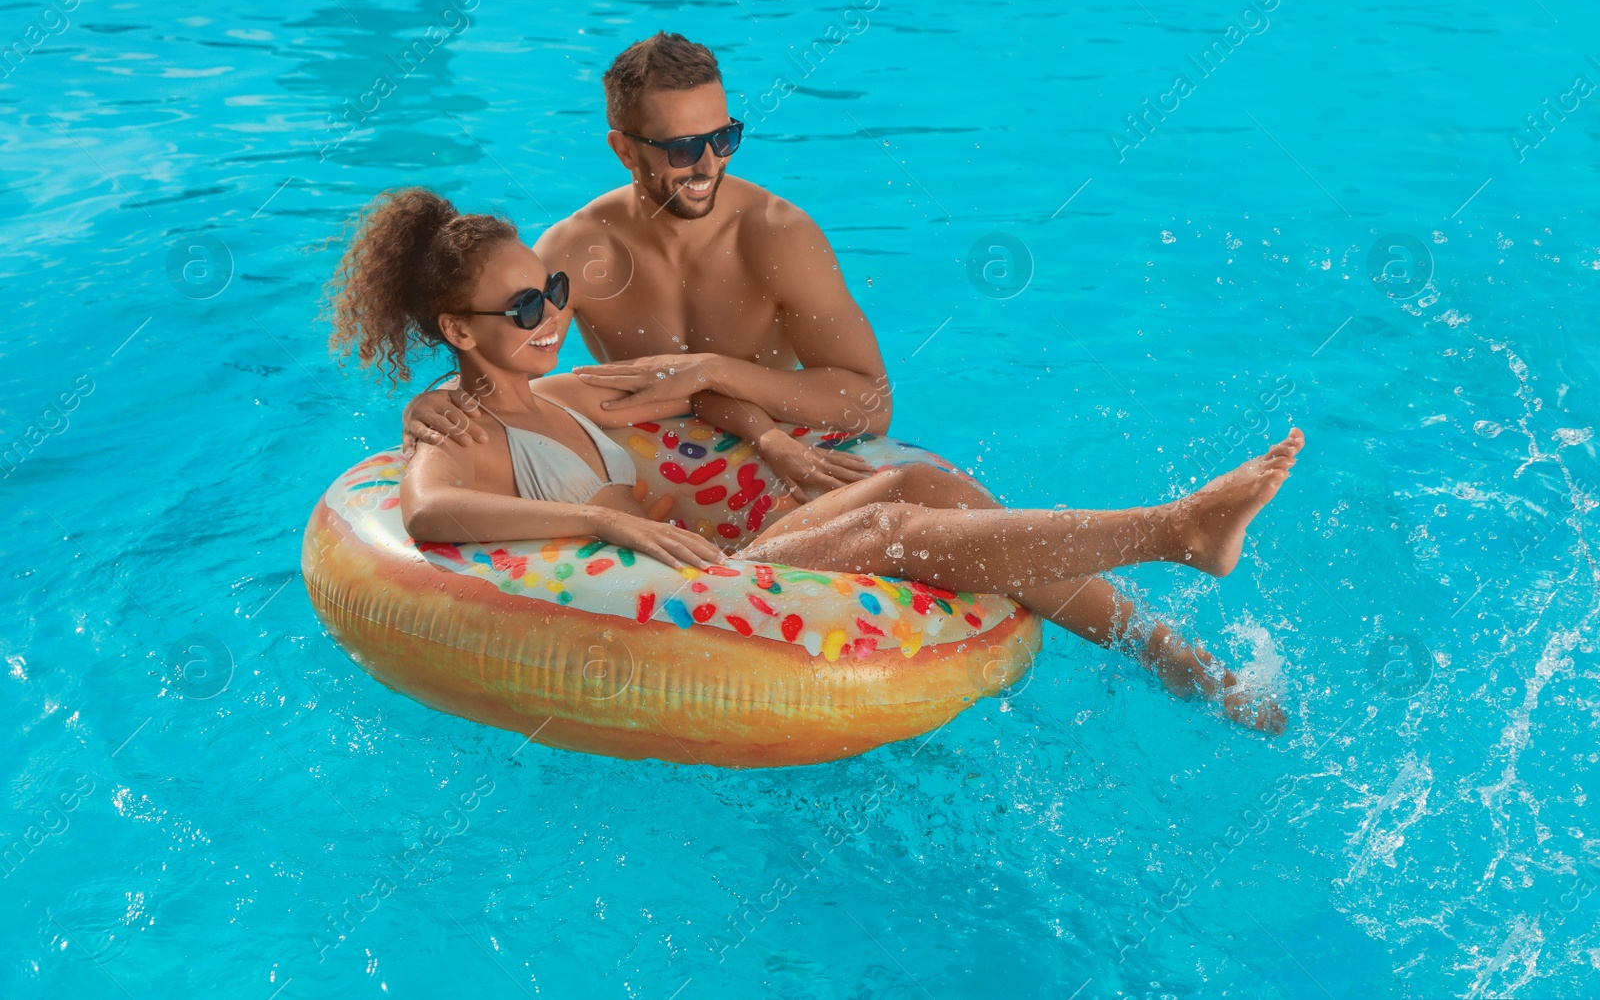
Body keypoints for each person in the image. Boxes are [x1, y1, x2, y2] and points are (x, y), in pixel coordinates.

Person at [329, 188, 1301, 734]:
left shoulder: (571, 395)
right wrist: (599, 518)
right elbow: (430, 515)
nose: (554, 314)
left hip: (716, 557)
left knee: (927, 486)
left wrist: (772, 439)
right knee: (890, 525)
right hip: (686, 591)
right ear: (457, 326)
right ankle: (1174, 529)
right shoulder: (458, 429)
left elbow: (692, 391)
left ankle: (1186, 664)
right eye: (524, 307)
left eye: (552, 287)